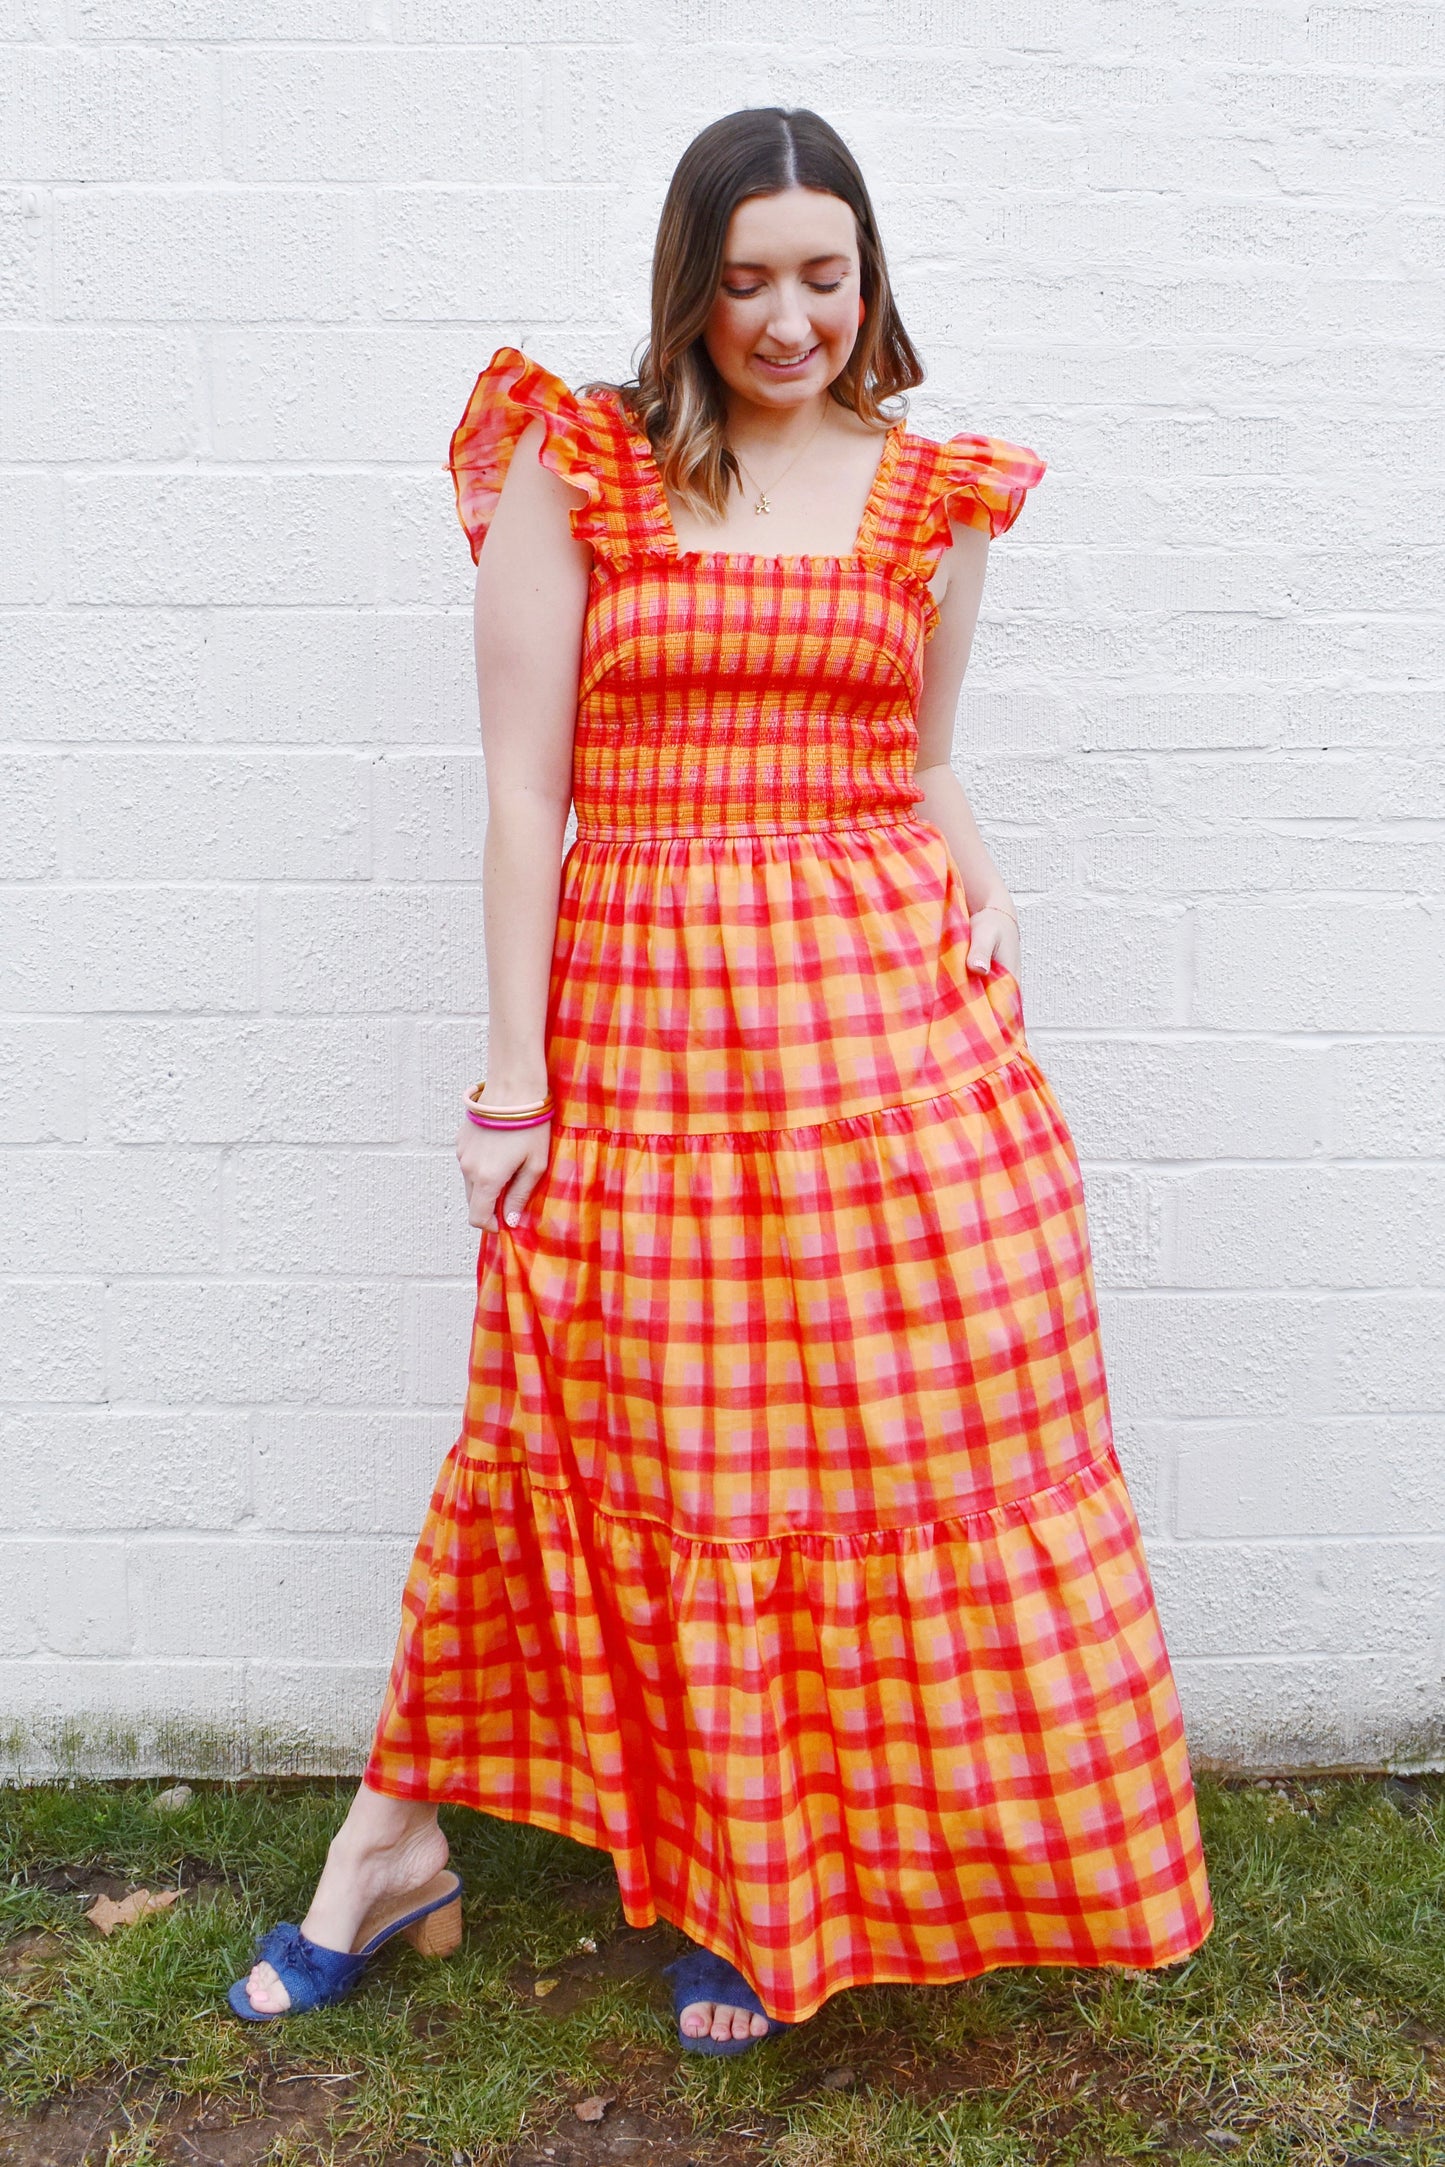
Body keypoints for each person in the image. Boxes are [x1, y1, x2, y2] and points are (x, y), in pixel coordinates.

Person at [229, 105, 1212, 2050]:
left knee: (864, 1449)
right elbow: (525, 788)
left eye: (822, 276)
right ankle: (389, 1842)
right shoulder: (576, 465)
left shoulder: (930, 497)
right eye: (747, 277)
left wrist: (982, 886)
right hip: (650, 1034)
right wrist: (513, 1075)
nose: (788, 319)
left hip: (887, 1035)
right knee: (584, 1433)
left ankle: (756, 1893)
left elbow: (924, 759)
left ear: (871, 277)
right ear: (690, 281)